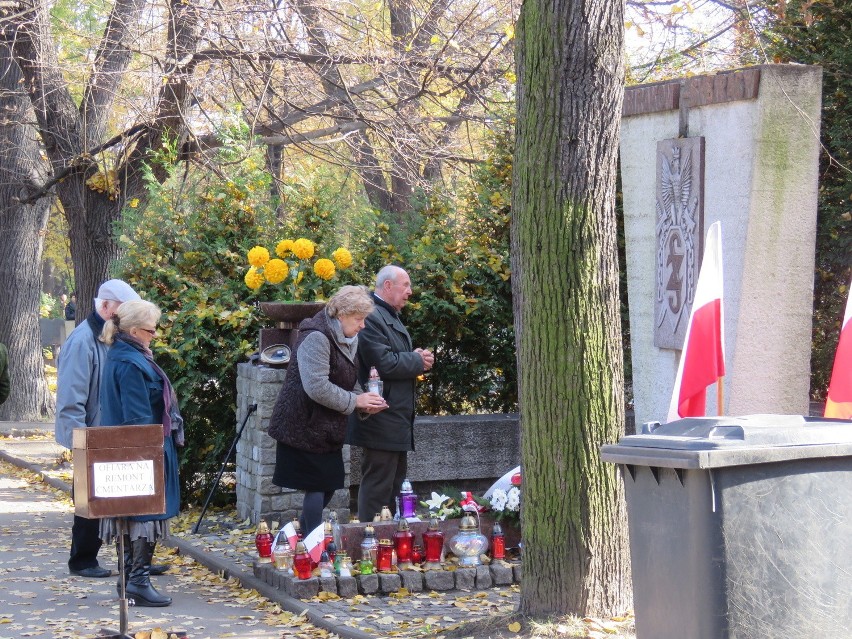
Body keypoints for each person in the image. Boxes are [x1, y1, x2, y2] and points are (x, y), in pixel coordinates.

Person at [268, 286, 387, 535]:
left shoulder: (346, 338)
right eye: (359, 319)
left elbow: (348, 380)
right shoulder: (317, 337)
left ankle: (300, 537)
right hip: (303, 425)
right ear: (341, 315)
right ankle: (312, 545)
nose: (363, 326)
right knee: (317, 486)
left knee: (329, 484)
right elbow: (317, 387)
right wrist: (356, 402)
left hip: (325, 428)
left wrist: (366, 402)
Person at [99, 299, 184, 607]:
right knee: (142, 514)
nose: (155, 335)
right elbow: (136, 418)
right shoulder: (130, 362)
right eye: (150, 330)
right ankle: (137, 582)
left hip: (135, 449)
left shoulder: (124, 356)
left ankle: (129, 580)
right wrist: (148, 455)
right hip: (140, 451)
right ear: (134, 331)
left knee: (132, 515)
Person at [55, 279, 141, 578]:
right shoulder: (81, 341)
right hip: (90, 435)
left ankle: (132, 560)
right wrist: (82, 444)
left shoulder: (110, 336)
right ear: (105, 307)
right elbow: (71, 400)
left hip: (112, 433)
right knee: (88, 500)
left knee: (125, 498)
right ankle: (82, 560)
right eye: (122, 311)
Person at [346, 265, 434, 522]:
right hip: (380, 416)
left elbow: (394, 356)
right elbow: (383, 363)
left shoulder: (389, 314)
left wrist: (416, 358)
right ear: (387, 286)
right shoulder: (372, 317)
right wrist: (417, 361)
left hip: (395, 417)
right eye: (405, 285)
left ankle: (391, 543)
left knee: (394, 485)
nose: (410, 291)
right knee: (378, 486)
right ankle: (369, 539)